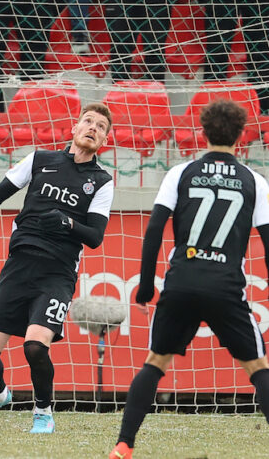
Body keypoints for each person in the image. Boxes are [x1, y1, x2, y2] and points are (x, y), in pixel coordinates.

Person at [0, 103, 114, 433]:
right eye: (88, 121)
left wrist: (67, 222)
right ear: (73, 128)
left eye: (101, 127)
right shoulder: (40, 160)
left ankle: (42, 412)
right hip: (19, 266)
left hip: (57, 274)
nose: (93, 128)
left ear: (104, 139)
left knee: (35, 345)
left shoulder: (101, 181)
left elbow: (96, 237)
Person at [109, 99, 269, 459]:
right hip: (226, 284)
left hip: (181, 280)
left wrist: (147, 285)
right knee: (257, 367)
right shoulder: (255, 181)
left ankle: (124, 445)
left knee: (156, 361)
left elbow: (153, 231)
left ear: (202, 131)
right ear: (242, 136)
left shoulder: (180, 172)